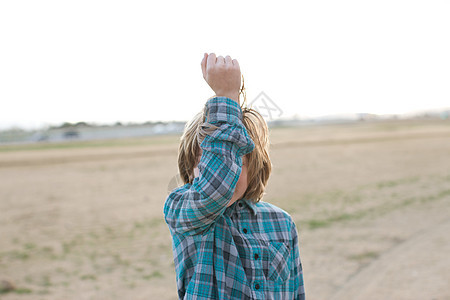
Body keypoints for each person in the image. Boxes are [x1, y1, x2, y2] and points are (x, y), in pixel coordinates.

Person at [164, 53, 305, 299]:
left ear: (256, 166)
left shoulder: (282, 222)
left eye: (236, 159)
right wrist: (227, 96)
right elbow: (214, 190)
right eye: (209, 161)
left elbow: (295, 291)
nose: (225, 169)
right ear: (190, 169)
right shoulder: (182, 208)